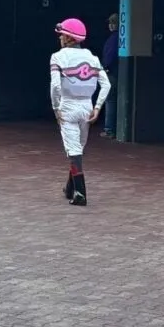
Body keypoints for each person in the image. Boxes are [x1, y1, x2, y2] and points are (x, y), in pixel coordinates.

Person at [50, 18, 110, 207]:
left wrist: (56, 107)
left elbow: (55, 86)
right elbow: (106, 84)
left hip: (68, 105)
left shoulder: (58, 57)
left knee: (74, 149)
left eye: (61, 35)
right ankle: (70, 188)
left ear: (68, 37)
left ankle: (80, 192)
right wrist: (98, 107)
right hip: (87, 107)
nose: (59, 38)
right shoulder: (93, 58)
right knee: (78, 148)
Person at [100, 13, 119, 139]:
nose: (111, 25)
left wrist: (105, 67)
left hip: (111, 73)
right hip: (113, 72)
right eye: (110, 22)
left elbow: (109, 57)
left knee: (110, 99)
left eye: (113, 22)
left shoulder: (114, 38)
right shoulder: (115, 37)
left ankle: (109, 129)